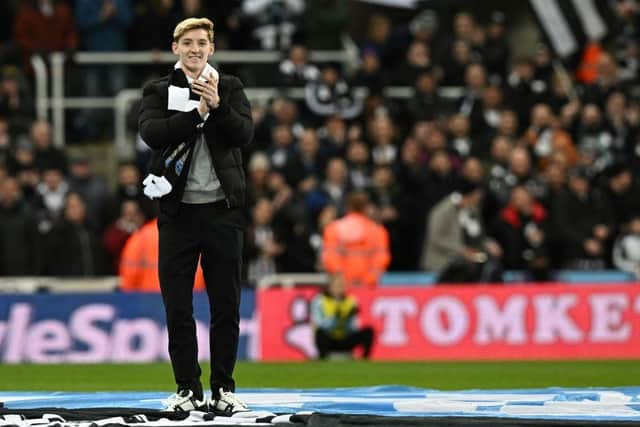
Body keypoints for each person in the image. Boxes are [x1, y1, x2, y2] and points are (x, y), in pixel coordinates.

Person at [138, 17, 253, 413]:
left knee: (227, 305)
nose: (195, 49)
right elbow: (152, 133)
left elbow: (243, 135)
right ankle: (188, 388)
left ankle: (223, 389)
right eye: (187, 42)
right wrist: (196, 113)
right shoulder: (157, 90)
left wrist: (216, 107)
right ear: (175, 48)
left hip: (223, 212)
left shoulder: (231, 87)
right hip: (178, 213)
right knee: (178, 305)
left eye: (202, 42)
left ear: (212, 48)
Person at [321, 191, 390, 289]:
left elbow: (330, 258)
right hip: (368, 288)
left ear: (347, 206)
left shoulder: (333, 229)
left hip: (341, 288)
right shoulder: (378, 231)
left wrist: (342, 280)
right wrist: (368, 280)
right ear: (367, 207)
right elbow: (381, 260)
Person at [311, 273, 374, 359]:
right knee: (320, 333)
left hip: (345, 338)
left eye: (342, 285)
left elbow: (354, 327)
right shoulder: (320, 300)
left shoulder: (351, 301)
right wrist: (335, 319)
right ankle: (322, 357)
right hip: (329, 338)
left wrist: (348, 318)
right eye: (338, 285)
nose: (341, 287)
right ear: (330, 286)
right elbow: (317, 324)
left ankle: (365, 359)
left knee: (368, 331)